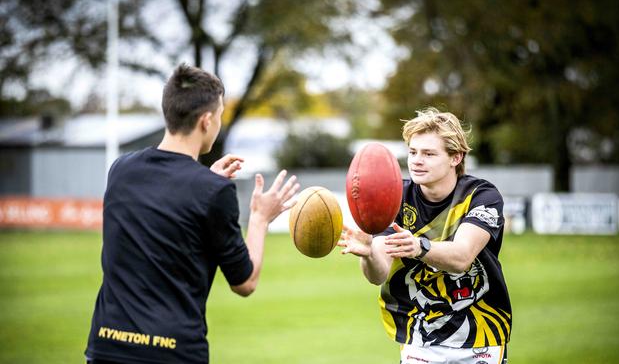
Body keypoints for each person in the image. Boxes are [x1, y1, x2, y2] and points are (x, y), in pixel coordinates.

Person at [85, 63, 299, 364]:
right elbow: (245, 282)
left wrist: (204, 181)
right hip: (172, 354)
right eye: (222, 114)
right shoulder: (213, 192)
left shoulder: (121, 170)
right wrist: (260, 218)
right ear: (206, 120)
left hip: (106, 348)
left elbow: (170, 193)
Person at [338, 107, 511, 364]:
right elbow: (378, 274)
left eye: (429, 154)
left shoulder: (481, 196)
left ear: (455, 157)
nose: (417, 161)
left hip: (480, 336)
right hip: (420, 337)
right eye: (413, 152)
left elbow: (462, 257)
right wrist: (368, 255)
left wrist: (418, 246)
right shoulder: (396, 198)